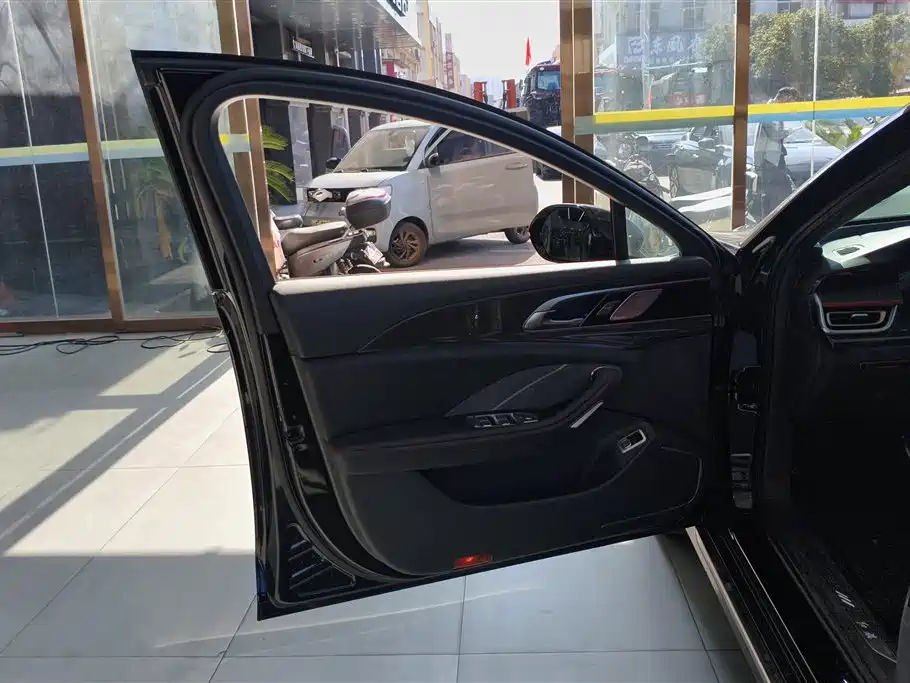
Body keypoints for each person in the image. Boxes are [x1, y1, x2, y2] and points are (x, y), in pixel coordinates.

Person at [754, 87, 800, 218]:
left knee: (781, 192)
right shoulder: (770, 110)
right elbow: (774, 134)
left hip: (774, 158)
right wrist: (789, 132)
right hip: (770, 160)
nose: (790, 106)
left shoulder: (775, 110)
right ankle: (769, 219)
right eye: (791, 102)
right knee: (774, 193)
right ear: (786, 98)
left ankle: (773, 218)